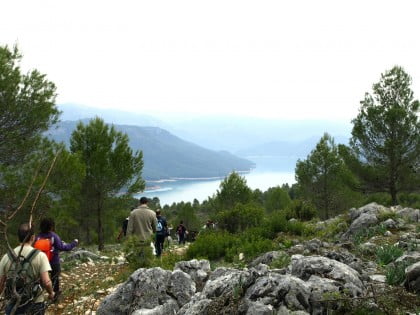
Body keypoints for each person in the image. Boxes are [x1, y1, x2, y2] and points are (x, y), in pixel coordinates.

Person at [0, 223, 54, 315]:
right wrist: (51, 293)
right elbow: (46, 281)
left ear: (18, 238)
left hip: (12, 304)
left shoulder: (6, 257)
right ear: (33, 237)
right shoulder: (40, 256)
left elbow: (1, 282)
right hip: (35, 302)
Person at [35, 218, 78, 302]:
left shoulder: (37, 237)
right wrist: (74, 243)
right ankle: (55, 297)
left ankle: (38, 298)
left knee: (41, 281)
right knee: (55, 281)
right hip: (53, 262)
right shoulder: (53, 236)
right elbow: (64, 247)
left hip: (40, 263)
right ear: (51, 226)